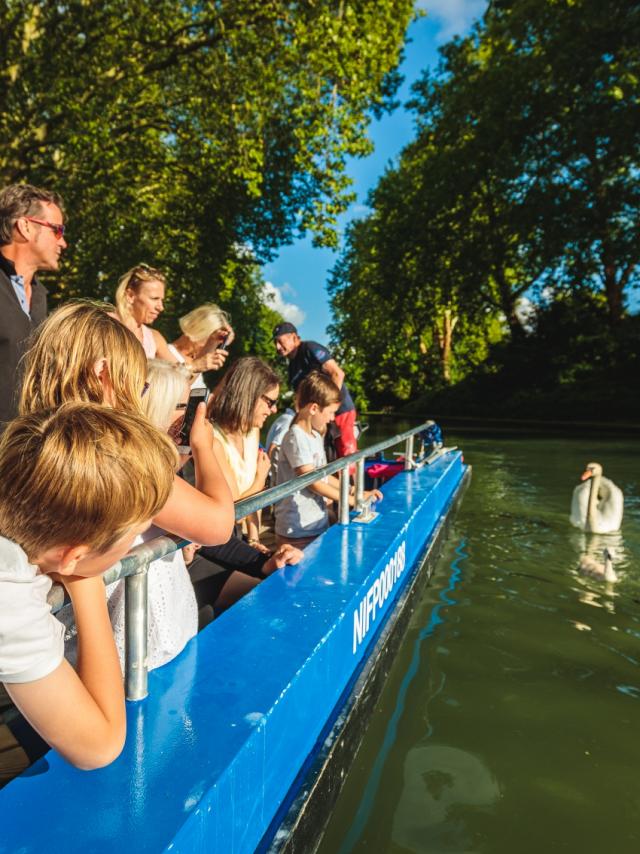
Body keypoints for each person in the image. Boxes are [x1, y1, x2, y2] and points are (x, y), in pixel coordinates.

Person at [0, 402, 176, 785]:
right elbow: (99, 746)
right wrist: (86, 584)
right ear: (73, 556)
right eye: (134, 536)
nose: (134, 546)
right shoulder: (7, 592)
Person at [19, 300, 235, 550]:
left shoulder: (25, 442)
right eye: (138, 382)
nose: (139, 394)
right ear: (102, 373)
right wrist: (203, 447)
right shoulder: (116, 458)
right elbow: (218, 526)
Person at [275, 372, 382, 548]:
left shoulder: (315, 436)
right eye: (331, 412)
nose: (332, 418)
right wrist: (352, 500)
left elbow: (323, 477)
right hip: (297, 530)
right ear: (314, 408)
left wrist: (354, 491)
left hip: (315, 524)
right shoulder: (295, 437)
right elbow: (312, 481)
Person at [0, 184, 66, 425]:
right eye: (57, 230)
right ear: (25, 226)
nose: (63, 243)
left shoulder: (39, 296)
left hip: (22, 440)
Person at [208, 357, 280, 550]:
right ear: (249, 395)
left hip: (236, 536)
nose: (274, 409)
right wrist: (260, 478)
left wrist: (254, 540)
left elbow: (254, 496)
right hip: (213, 541)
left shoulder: (252, 432)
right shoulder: (213, 439)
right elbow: (235, 510)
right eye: (270, 402)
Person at [273, 322, 358, 458]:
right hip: (317, 417)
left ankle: (352, 472)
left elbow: (338, 374)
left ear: (294, 337)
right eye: (275, 343)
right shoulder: (291, 367)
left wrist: (330, 407)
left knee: (347, 454)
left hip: (340, 410)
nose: (277, 347)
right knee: (325, 455)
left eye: (280, 341)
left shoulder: (310, 349)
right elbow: (299, 399)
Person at [169, 302, 235, 387]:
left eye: (217, 342)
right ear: (199, 331)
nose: (212, 347)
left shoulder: (197, 364)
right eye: (211, 339)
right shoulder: (165, 351)